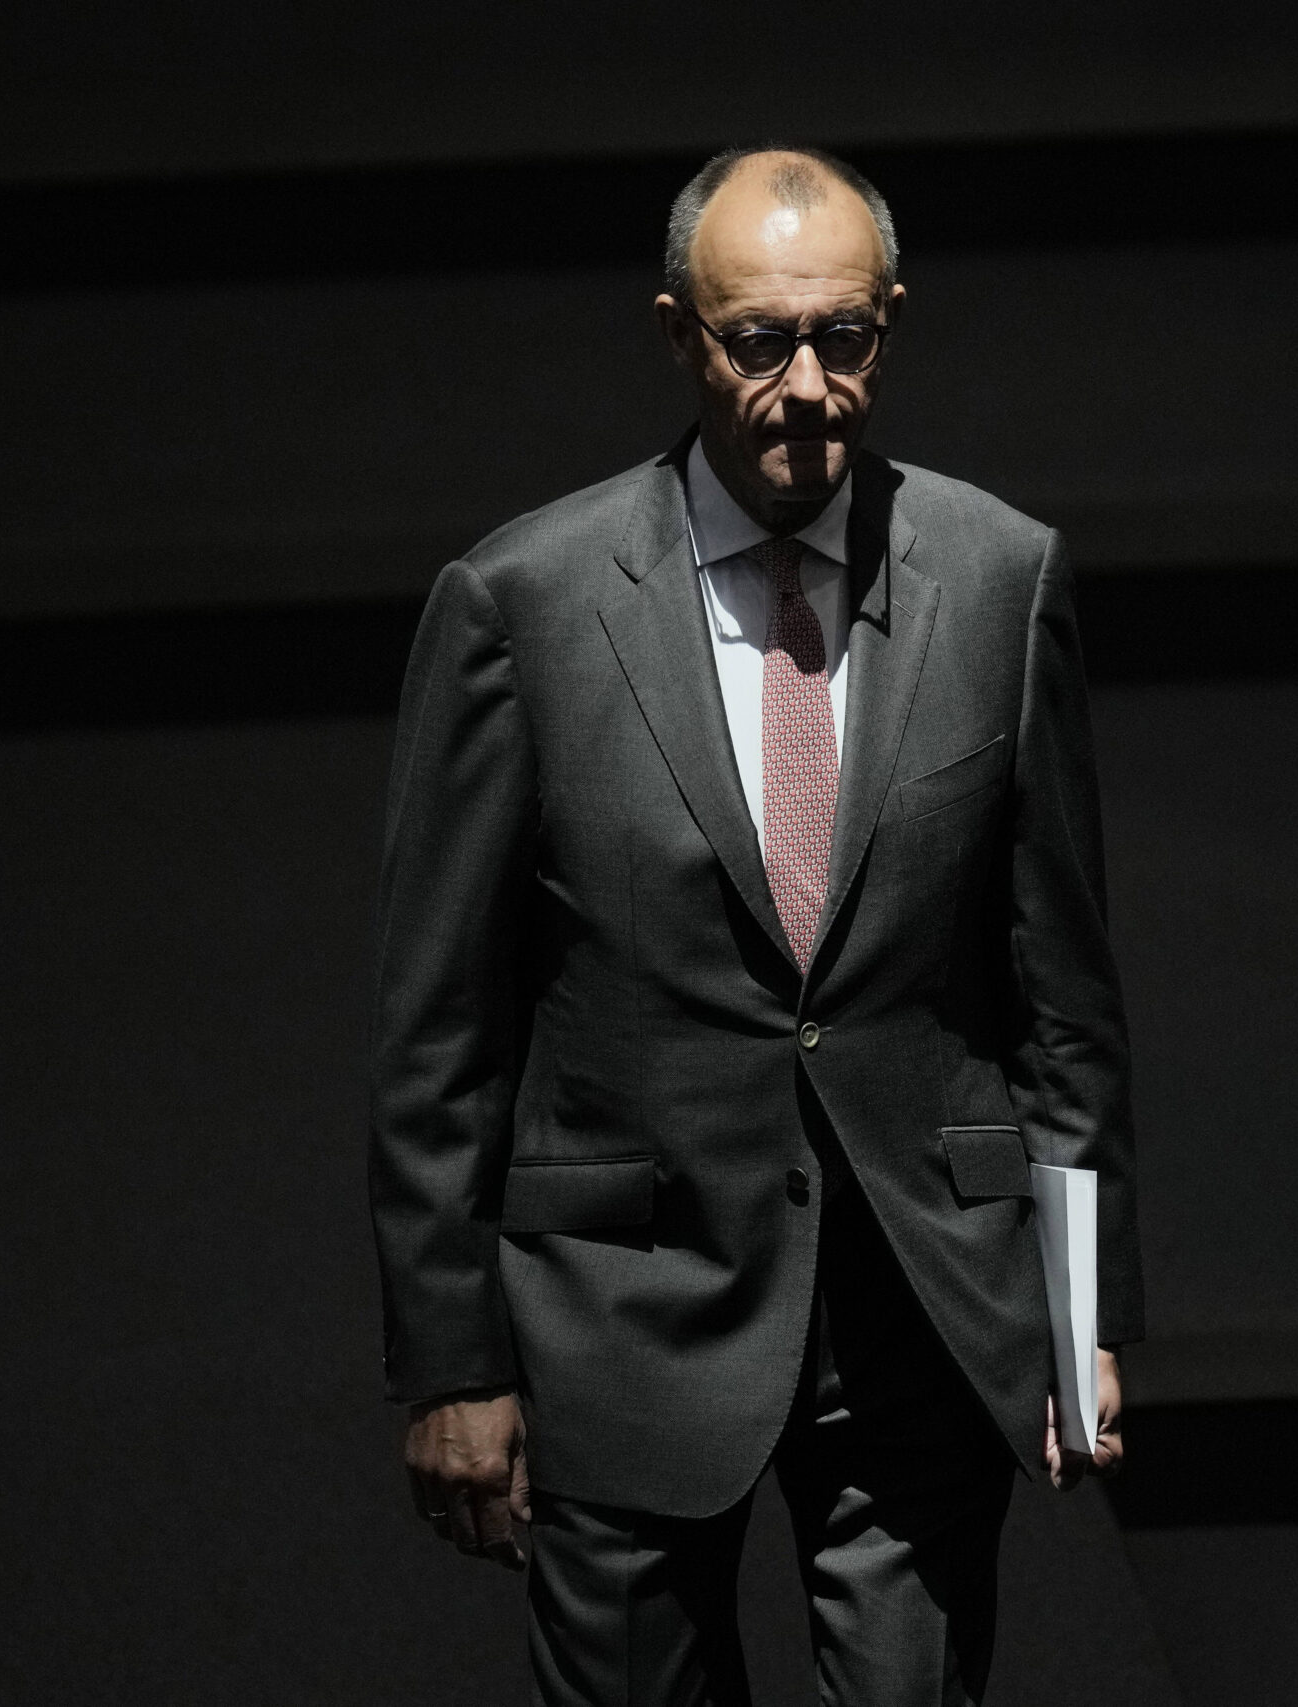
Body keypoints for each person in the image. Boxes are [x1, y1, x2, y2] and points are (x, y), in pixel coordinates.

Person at [369, 143, 1142, 1707]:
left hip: (923, 1306)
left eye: (843, 338)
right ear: (678, 335)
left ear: (891, 325)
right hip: (628, 1319)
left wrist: (1085, 1316)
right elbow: (440, 1029)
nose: (805, 384)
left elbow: (1061, 990)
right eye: (758, 341)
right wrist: (454, 1362)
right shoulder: (524, 602)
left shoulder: (1000, 577)